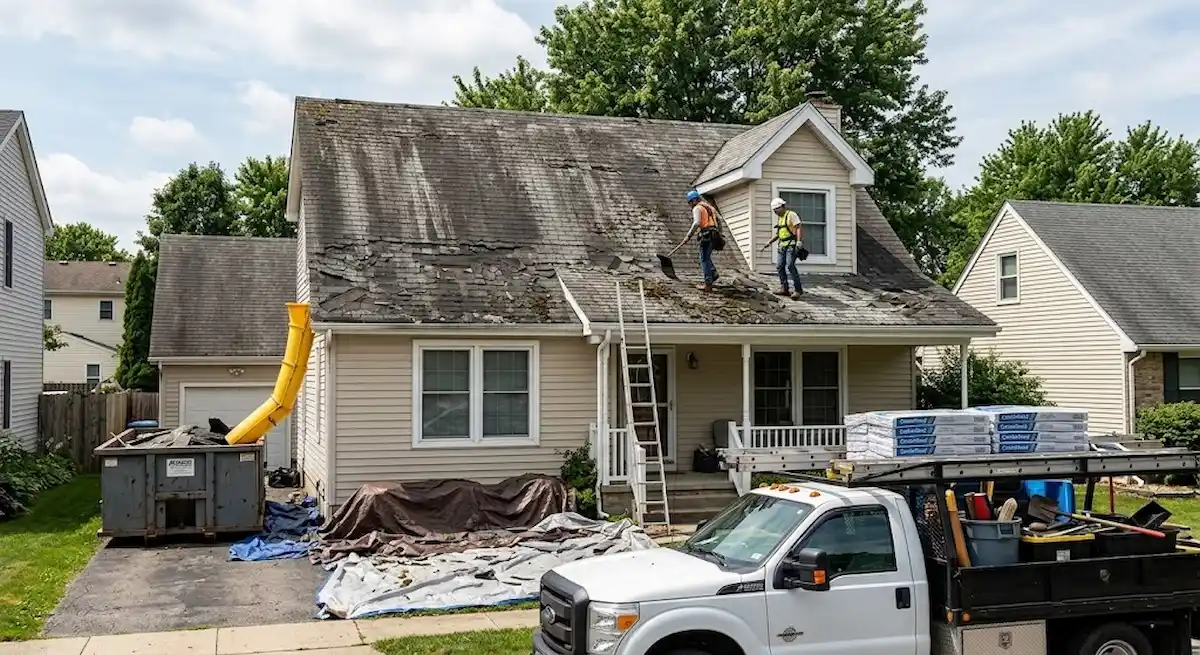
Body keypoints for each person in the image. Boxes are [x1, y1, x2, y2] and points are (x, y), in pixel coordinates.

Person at [676, 189, 721, 291]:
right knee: (706, 257)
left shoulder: (697, 208)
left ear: (693, 200)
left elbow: (697, 223)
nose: (690, 205)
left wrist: (688, 236)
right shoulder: (708, 207)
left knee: (704, 259)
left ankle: (708, 284)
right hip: (714, 234)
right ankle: (713, 273)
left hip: (707, 235)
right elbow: (718, 220)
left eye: (690, 202)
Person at [762, 196, 803, 298]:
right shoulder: (780, 219)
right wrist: (769, 242)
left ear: (782, 206)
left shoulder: (791, 215)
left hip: (791, 245)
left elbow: (798, 227)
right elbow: (779, 234)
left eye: (777, 209)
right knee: (780, 266)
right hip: (782, 246)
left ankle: (798, 290)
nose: (775, 212)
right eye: (774, 210)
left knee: (790, 265)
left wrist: (799, 241)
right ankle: (784, 288)